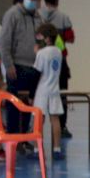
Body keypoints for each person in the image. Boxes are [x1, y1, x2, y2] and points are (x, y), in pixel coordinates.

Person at [0, 0, 42, 138]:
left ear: (39, 0)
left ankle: (24, 138)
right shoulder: (12, 14)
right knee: (14, 104)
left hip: (34, 67)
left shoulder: (39, 18)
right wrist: (8, 64)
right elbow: (4, 42)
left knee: (28, 105)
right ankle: (13, 138)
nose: (30, 0)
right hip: (17, 66)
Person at [41, 0, 75, 138]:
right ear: (57, 0)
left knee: (38, 94)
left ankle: (35, 127)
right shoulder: (63, 17)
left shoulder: (38, 15)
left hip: (42, 60)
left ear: (44, 0)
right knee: (62, 93)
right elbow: (71, 38)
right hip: (59, 61)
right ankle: (62, 126)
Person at [32, 22, 65, 160]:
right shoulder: (58, 51)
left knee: (39, 120)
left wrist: (36, 53)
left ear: (46, 38)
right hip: (54, 88)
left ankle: (36, 150)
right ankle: (57, 149)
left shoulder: (41, 53)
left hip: (42, 90)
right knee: (55, 119)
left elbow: (37, 72)